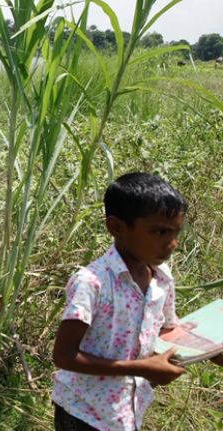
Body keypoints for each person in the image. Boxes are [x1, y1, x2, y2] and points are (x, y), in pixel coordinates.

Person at [51, 173, 223, 431]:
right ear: (116, 227)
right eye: (159, 231)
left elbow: (166, 332)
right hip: (84, 412)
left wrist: (209, 350)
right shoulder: (93, 283)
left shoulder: (162, 279)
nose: (172, 243)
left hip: (128, 408)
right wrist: (141, 368)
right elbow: (64, 355)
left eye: (176, 231)